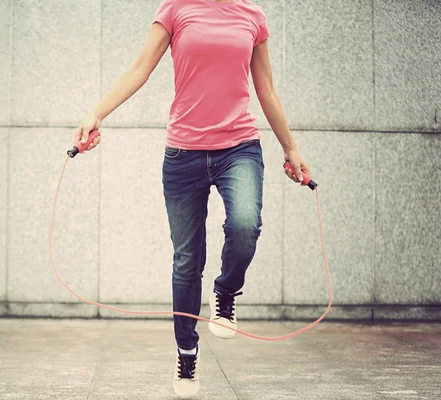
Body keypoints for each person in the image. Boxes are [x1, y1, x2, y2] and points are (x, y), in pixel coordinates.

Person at [73, 0, 310, 398]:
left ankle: (226, 292)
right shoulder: (176, 8)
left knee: (244, 227)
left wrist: (290, 147)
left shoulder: (252, 15)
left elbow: (265, 87)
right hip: (183, 154)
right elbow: (140, 68)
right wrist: (98, 112)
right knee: (187, 260)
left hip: (239, 147)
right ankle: (186, 352)